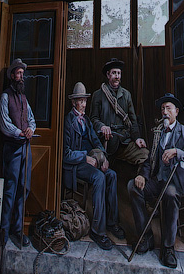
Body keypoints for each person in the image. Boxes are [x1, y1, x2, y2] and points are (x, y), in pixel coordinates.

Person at [128, 94, 184, 269]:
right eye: (162, 109)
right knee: (133, 187)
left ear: (176, 111)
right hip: (159, 180)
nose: (165, 112)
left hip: (177, 182)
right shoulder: (158, 132)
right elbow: (149, 160)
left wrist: (177, 152)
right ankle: (146, 237)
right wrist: (142, 175)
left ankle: (168, 248)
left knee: (170, 193)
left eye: (168, 108)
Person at [63, 82, 125, 250]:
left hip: (92, 160)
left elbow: (96, 141)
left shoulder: (86, 120)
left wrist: (103, 157)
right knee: (99, 177)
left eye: (85, 101)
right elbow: (65, 154)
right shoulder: (68, 122)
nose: (83, 104)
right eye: (80, 101)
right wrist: (84, 158)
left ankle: (111, 222)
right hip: (76, 165)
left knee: (111, 174)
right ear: (73, 102)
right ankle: (98, 230)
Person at [0, 58, 36, 250]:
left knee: (24, 188)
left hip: (25, 148)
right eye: (19, 73)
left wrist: (30, 129)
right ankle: (4, 232)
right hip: (12, 148)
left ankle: (18, 230)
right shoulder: (5, 97)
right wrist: (19, 133)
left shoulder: (24, 98)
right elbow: (4, 123)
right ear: (12, 75)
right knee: (10, 190)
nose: (21, 76)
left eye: (22, 73)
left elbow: (31, 119)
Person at [90, 58, 148, 167]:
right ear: (108, 75)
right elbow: (93, 119)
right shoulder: (98, 95)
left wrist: (137, 138)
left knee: (144, 154)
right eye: (114, 73)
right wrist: (102, 126)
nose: (117, 76)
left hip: (124, 142)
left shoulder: (126, 95)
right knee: (99, 164)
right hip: (105, 142)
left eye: (119, 73)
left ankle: (139, 177)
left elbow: (133, 121)